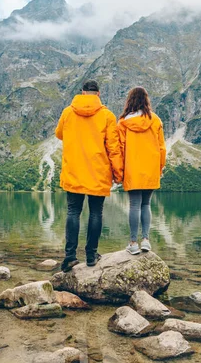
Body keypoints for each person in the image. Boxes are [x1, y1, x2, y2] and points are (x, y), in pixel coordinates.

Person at [55, 80, 123, 272]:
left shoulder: (68, 112)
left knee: (73, 212)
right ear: (98, 94)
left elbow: (59, 134)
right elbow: (113, 148)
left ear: (82, 93)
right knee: (96, 213)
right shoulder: (107, 116)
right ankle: (92, 255)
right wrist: (118, 173)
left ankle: (69, 257)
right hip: (98, 171)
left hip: (74, 170)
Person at [117, 87, 166, 254]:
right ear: (146, 100)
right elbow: (161, 148)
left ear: (129, 101)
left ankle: (133, 243)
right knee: (146, 204)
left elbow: (120, 148)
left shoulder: (123, 122)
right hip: (151, 168)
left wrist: (120, 171)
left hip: (133, 168)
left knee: (134, 205)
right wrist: (160, 167)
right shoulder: (156, 120)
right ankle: (146, 240)